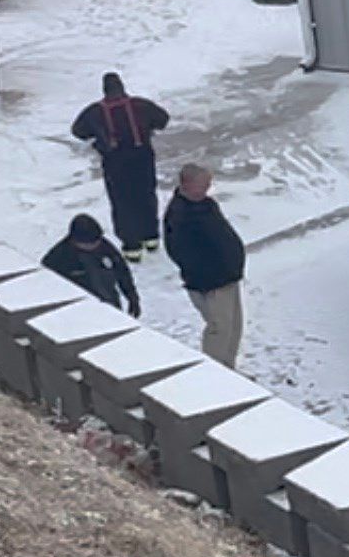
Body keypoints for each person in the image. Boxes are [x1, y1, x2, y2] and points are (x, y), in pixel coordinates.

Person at [70, 72, 170, 258]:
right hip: (142, 158)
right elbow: (163, 119)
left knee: (121, 201)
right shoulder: (141, 105)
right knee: (146, 195)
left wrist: (98, 136)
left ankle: (131, 245)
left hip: (115, 163)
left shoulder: (94, 112)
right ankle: (151, 236)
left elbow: (77, 131)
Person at [163, 162, 247, 368]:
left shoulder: (205, 204)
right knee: (219, 329)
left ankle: (229, 368)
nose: (210, 186)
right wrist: (209, 278)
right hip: (212, 284)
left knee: (233, 327)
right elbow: (180, 252)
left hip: (227, 277)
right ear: (189, 185)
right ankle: (216, 374)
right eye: (205, 183)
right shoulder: (180, 216)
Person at [42, 213, 139, 312]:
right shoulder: (58, 258)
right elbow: (46, 287)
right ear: (74, 241)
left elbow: (122, 272)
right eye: (89, 244)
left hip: (110, 304)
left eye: (97, 241)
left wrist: (132, 297)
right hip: (79, 311)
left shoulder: (105, 247)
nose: (95, 245)